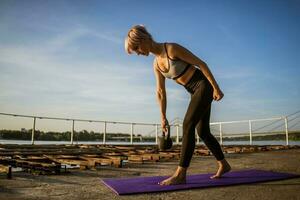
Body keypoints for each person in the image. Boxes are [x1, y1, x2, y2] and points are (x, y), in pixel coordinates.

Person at [125, 25, 231, 186]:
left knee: (187, 124)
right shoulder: (156, 64)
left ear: (144, 39)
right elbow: (160, 92)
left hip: (203, 86)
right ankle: (224, 164)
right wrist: (163, 117)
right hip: (194, 91)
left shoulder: (171, 49)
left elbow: (201, 64)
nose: (138, 53)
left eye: (137, 48)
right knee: (203, 131)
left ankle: (181, 174)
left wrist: (216, 87)